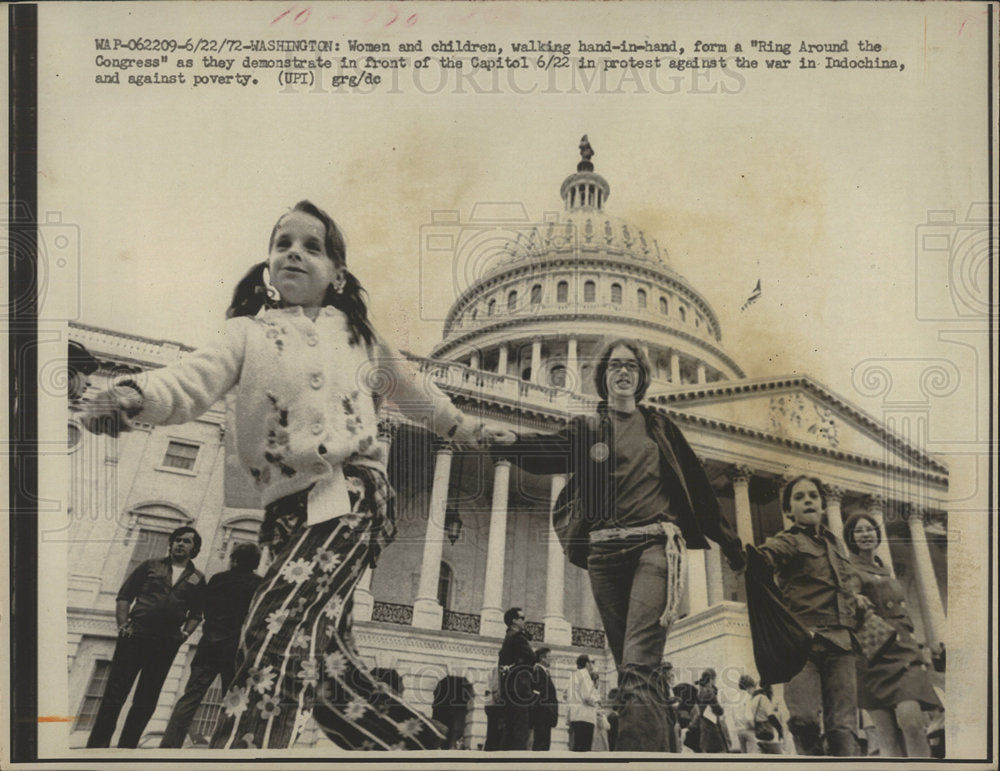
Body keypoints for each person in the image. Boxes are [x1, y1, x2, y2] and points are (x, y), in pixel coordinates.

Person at [81, 201, 483, 750]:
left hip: (351, 494)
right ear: (269, 266)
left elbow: (418, 394)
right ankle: (424, 752)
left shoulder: (360, 337)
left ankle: (246, 753)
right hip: (286, 514)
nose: (294, 253)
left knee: (273, 627)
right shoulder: (245, 334)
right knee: (328, 675)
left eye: (311, 246)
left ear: (337, 274)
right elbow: (189, 380)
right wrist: (133, 395)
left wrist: (469, 429)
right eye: (282, 244)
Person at [489, 339, 744, 751]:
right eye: (614, 366)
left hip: (655, 547)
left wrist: (730, 544)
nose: (623, 372)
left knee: (639, 661)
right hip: (605, 554)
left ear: (642, 376)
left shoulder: (661, 428)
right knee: (633, 667)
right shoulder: (589, 429)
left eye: (631, 366)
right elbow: (552, 450)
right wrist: (512, 442)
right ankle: (663, 750)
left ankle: (633, 757)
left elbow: (698, 487)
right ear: (603, 376)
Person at [756, 475, 869, 756]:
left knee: (843, 728)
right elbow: (765, 557)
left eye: (813, 496)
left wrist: (856, 600)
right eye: (799, 497)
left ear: (822, 504)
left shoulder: (836, 545)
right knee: (803, 719)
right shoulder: (789, 541)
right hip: (803, 645)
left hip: (842, 645)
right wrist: (752, 559)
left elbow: (842, 584)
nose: (808, 501)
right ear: (788, 511)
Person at [86, 526, 205, 748]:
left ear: (194, 549)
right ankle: (96, 749)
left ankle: (127, 749)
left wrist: (184, 634)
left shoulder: (197, 578)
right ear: (171, 544)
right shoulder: (150, 565)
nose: (180, 544)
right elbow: (125, 596)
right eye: (177, 540)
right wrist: (123, 625)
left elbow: (197, 614)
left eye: (186, 541)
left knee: (146, 699)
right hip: (135, 636)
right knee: (115, 695)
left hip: (166, 643)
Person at [843, 513, 943, 757]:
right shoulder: (851, 570)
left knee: (912, 723)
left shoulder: (884, 569)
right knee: (887, 736)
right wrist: (854, 599)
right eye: (858, 531)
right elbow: (846, 599)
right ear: (851, 538)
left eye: (869, 529)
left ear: (877, 534)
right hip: (875, 656)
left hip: (904, 653)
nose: (865, 534)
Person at [160, 542, 264, 747]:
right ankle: (226, 748)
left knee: (190, 698)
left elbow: (205, 609)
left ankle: (169, 746)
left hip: (209, 645)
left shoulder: (218, 579)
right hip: (236, 649)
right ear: (256, 563)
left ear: (234, 559)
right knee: (235, 701)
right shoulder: (259, 584)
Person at [498, 607, 536, 750]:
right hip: (520, 688)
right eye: (522, 618)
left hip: (508, 689)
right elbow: (532, 657)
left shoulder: (507, 637)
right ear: (514, 620)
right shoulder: (518, 637)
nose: (524, 621)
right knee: (520, 730)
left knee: (509, 729)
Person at [691, 668, 729, 753]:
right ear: (711, 679)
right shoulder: (709, 693)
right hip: (712, 729)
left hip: (703, 727)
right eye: (715, 679)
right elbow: (719, 711)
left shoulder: (700, 691)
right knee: (719, 753)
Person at [566, 654, 598, 751]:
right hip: (585, 716)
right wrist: (597, 701)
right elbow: (587, 696)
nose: (593, 665)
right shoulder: (585, 675)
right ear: (587, 664)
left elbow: (565, 694)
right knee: (584, 748)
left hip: (575, 716)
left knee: (576, 746)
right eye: (592, 662)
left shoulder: (574, 675)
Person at [530, 647, 558, 751]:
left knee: (543, 743)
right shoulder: (538, 671)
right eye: (549, 657)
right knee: (541, 744)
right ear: (543, 658)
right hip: (541, 715)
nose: (551, 659)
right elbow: (537, 694)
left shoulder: (544, 672)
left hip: (545, 715)